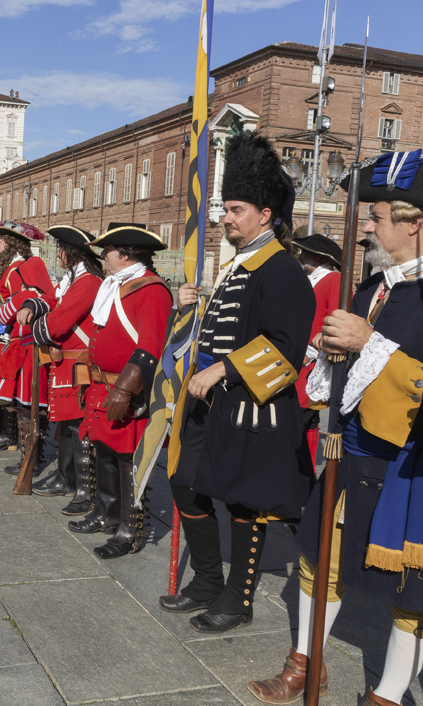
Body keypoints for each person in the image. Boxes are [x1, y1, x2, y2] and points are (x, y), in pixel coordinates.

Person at [248, 150, 423, 706]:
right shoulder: (376, 286)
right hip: (351, 452)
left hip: (417, 466)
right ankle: (307, 663)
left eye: (378, 215)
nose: (366, 224)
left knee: (414, 592)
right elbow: (346, 369)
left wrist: (368, 345)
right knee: (320, 563)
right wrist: (333, 349)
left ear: (415, 222)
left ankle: (387, 697)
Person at [160, 131, 315, 631]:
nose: (225, 217)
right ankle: (206, 579)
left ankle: (238, 597)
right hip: (212, 403)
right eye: (225, 208)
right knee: (185, 483)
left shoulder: (282, 270)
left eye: (236, 209)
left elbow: (286, 349)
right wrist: (190, 308)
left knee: (245, 503)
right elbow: (226, 327)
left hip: (253, 405)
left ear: (265, 215)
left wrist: (223, 368)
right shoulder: (238, 266)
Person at [62, 223, 172, 559]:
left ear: (125, 254)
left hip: (125, 389)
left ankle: (129, 529)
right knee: (103, 451)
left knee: (127, 460)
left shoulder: (150, 290)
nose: (102, 257)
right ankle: (106, 512)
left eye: (107, 251)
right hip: (101, 383)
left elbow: (150, 347)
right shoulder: (115, 285)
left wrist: (124, 391)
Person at [21, 226, 104, 503]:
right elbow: (53, 298)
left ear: (72, 252)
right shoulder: (72, 279)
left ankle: (79, 484)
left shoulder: (88, 282)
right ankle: (65, 477)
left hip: (77, 364)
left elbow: (60, 321)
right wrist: (33, 306)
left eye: (61, 249)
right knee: (66, 425)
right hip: (65, 363)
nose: (58, 254)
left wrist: (34, 329)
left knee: (77, 426)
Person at [0, 222, 55, 458]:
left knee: (27, 406)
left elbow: (35, 296)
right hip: (15, 339)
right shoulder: (12, 268)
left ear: (14, 243)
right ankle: (24, 456)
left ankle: (29, 459)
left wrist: (3, 313)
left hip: (23, 341)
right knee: (17, 402)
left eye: (2, 238)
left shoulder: (20, 268)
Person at [292, 233, 343, 470]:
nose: (301, 256)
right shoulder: (311, 279)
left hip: (311, 362)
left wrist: (311, 353)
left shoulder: (334, 279)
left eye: (304, 252)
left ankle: (302, 476)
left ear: (317, 257)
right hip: (297, 359)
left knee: (301, 419)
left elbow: (335, 322)